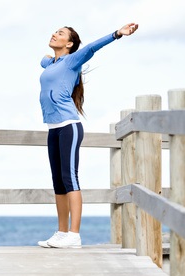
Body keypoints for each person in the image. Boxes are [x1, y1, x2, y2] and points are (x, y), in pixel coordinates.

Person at [37, 23, 138, 248]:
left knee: (69, 178)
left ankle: (74, 234)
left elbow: (92, 47)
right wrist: (49, 58)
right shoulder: (52, 62)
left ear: (70, 44)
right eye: (54, 31)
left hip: (69, 126)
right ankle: (61, 232)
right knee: (58, 182)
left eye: (60, 33)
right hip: (53, 128)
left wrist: (117, 34)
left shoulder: (72, 60)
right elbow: (44, 60)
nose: (54, 33)